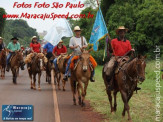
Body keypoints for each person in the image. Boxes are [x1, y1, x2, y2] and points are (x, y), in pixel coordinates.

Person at [104, 26, 140, 90]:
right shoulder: (113, 41)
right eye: (120, 32)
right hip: (115, 57)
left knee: (134, 67)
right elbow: (110, 51)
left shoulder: (128, 42)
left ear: (125, 33)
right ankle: (109, 84)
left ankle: (134, 84)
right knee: (109, 67)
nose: (122, 33)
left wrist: (131, 50)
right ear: (118, 33)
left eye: (123, 32)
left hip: (125, 58)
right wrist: (109, 44)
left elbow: (129, 52)